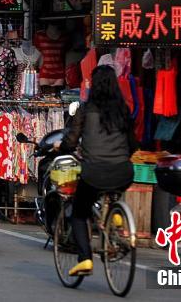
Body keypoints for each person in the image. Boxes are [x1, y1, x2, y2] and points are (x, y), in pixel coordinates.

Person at [57, 65, 137, 276]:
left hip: (94, 173)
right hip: (124, 172)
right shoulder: (123, 110)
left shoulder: (85, 110)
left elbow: (71, 141)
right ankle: (115, 215)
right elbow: (133, 145)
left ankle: (85, 259)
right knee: (113, 187)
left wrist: (62, 147)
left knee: (78, 213)